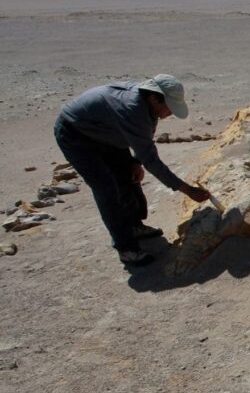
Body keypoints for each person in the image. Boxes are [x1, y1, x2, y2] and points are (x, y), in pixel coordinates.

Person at [53, 74, 211, 267]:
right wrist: (188, 190)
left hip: (107, 131)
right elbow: (152, 161)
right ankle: (126, 248)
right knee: (107, 189)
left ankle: (134, 226)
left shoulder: (146, 103)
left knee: (128, 176)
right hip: (76, 135)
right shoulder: (132, 110)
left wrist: (135, 161)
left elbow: (146, 136)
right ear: (154, 98)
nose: (170, 113)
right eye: (169, 106)